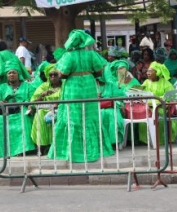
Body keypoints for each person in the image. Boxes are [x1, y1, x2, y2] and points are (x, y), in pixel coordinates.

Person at [47, 29, 106, 163]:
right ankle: (93, 149)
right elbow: (99, 71)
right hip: (89, 85)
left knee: (73, 116)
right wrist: (88, 74)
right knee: (89, 116)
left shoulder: (68, 56)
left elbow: (62, 74)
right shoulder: (91, 54)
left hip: (73, 87)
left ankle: (73, 150)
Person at [0, 60, 36, 158]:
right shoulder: (1, 87)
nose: (11, 74)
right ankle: (1, 152)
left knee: (23, 120)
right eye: (9, 73)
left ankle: (21, 150)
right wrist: (1, 103)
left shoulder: (28, 86)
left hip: (22, 110)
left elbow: (33, 99)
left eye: (14, 72)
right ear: (7, 75)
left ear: (18, 74)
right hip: (5, 111)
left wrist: (30, 105)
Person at [140, 61, 177, 145]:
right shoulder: (146, 82)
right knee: (143, 113)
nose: (148, 73)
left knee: (157, 114)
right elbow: (140, 93)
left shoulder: (166, 83)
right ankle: (146, 140)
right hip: (147, 106)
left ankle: (159, 140)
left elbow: (169, 97)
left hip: (162, 107)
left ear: (157, 72)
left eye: (150, 71)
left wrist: (155, 101)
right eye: (147, 71)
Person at [30, 64, 62, 155]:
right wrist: (42, 95)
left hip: (61, 109)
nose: (53, 77)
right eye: (50, 75)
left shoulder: (64, 85)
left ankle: (55, 145)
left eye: (55, 75)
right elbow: (33, 102)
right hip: (45, 109)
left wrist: (59, 104)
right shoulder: (44, 86)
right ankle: (42, 146)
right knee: (40, 114)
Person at [96, 76, 126, 154]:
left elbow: (120, 97)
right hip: (95, 108)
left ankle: (113, 142)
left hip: (111, 107)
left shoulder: (111, 85)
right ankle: (100, 143)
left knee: (112, 115)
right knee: (100, 115)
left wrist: (117, 102)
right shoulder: (91, 85)